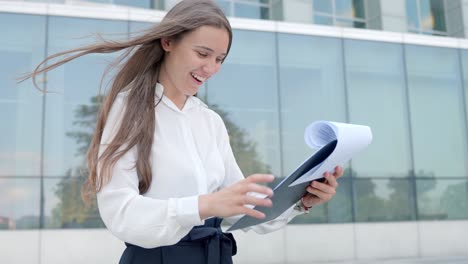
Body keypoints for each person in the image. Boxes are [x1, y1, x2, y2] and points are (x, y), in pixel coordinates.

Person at [23, 0, 343, 263]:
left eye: (220, 59)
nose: (211, 68)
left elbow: (240, 209)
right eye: (202, 54)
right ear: (168, 42)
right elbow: (120, 213)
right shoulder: (128, 109)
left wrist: (302, 200)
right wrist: (202, 206)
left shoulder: (210, 122)